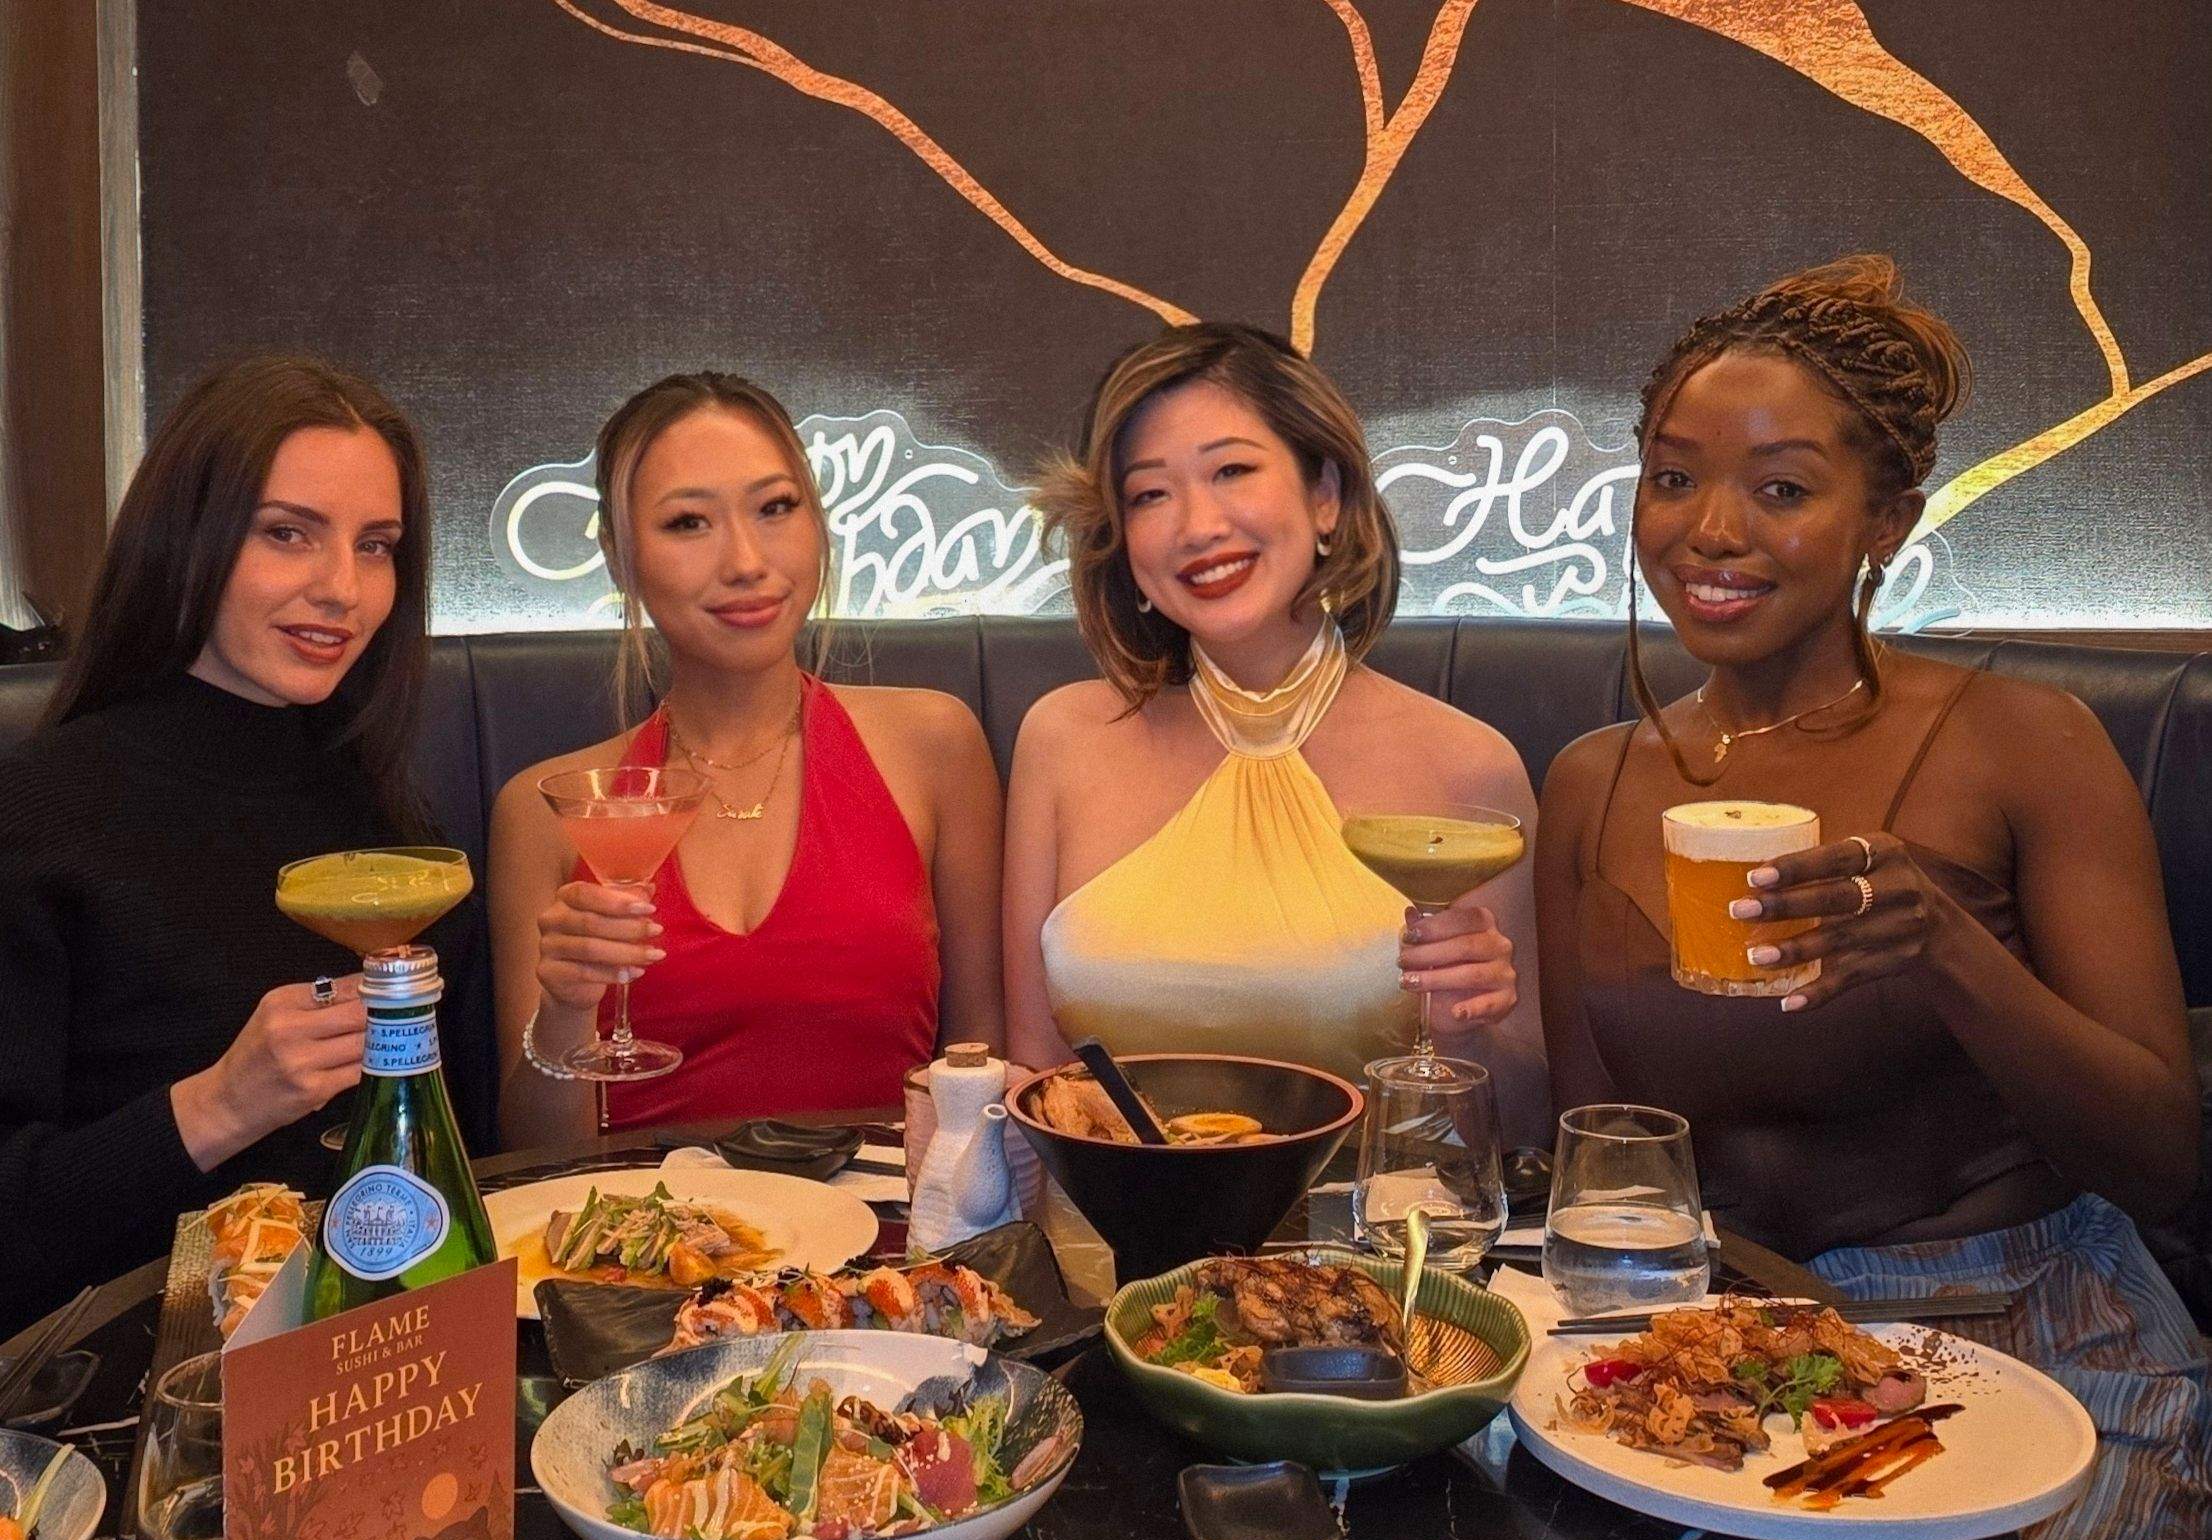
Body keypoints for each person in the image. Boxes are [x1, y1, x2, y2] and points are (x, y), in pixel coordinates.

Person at [1535, 255, 2208, 1540]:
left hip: (2022, 1326)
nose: (1711, 530)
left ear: (1883, 520)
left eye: (1782, 489)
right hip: (1729, 1334)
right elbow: (1599, 1152)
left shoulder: (2024, 743)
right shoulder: (1589, 778)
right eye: (1672, 477)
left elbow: (2160, 1155)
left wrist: (1948, 948)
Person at [0, 355, 470, 1333]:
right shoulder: (37, 811)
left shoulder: (385, 817)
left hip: (388, 1367)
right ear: (187, 538)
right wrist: (218, 1105)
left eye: (375, 545)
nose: (342, 587)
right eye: (287, 533)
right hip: (137, 1400)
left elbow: (467, 1164)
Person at [1006, 323, 1545, 1134]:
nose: (1196, 525)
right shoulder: (1061, 740)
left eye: (1231, 471)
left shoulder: (1470, 766)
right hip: (1105, 1247)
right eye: (1151, 493)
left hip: (1368, 1254)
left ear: (1324, 494)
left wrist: (1472, 1025)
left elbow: (1526, 1126)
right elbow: (1033, 1083)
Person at [490, 372, 1002, 1141]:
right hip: (641, 1252)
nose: (747, 560)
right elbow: (534, 1153)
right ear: (618, 556)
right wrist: (565, 1008)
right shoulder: (544, 807)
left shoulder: (935, 744)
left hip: (891, 1245)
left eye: (776, 508)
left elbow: (986, 1068)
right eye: (689, 522)